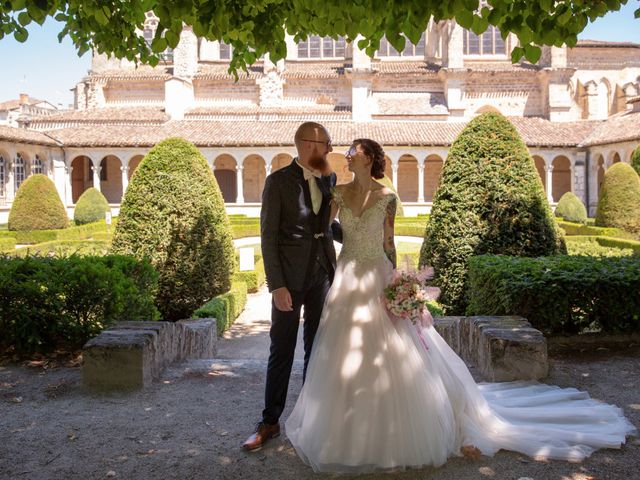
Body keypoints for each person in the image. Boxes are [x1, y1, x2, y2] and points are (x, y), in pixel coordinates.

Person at [284, 138, 637, 473]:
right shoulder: (339, 192)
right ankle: (344, 427)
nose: (346, 154)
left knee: (394, 349)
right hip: (348, 276)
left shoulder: (388, 196)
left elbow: (389, 242)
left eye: (353, 150)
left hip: (377, 272)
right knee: (343, 349)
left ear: (369, 158)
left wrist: (399, 283)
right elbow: (320, 226)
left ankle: (395, 429)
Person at [242, 122, 341, 451]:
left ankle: (312, 420)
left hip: (323, 274)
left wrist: (365, 230)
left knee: (318, 348)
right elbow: (268, 237)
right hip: (289, 279)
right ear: (310, 144)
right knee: (281, 349)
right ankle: (270, 421)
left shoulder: (330, 178)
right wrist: (277, 286)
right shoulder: (277, 182)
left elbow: (328, 226)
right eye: (327, 143)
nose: (330, 149)